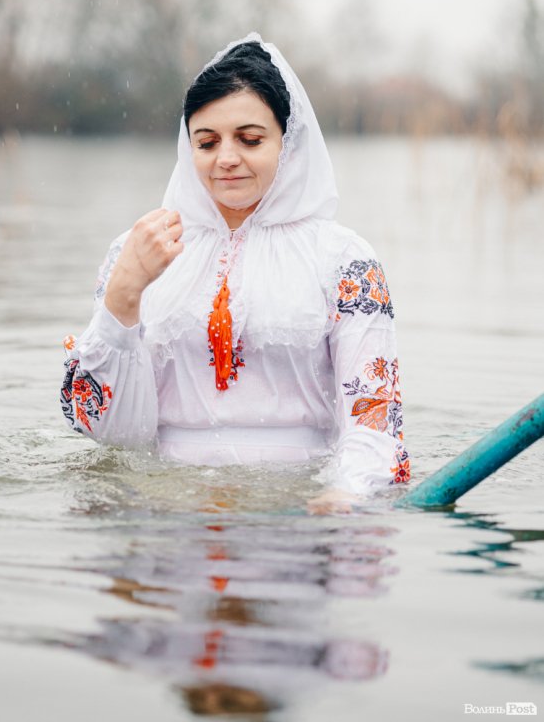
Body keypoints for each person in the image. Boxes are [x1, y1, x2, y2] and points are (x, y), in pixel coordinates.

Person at [59, 32, 410, 512]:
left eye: (249, 139)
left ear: (289, 143)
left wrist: (348, 492)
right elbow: (108, 433)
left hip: (294, 509)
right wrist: (124, 294)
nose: (226, 158)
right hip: (166, 509)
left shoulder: (344, 260)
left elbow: (375, 423)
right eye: (206, 142)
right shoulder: (140, 249)